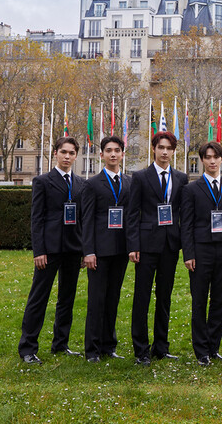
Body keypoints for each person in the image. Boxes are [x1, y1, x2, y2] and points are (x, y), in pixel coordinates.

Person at [18, 136, 85, 364]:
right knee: (39, 297)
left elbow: (83, 220)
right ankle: (28, 348)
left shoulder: (80, 183)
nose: (67, 156)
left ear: (76, 156)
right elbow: (37, 219)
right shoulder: (43, 181)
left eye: (71, 153)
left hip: (73, 249)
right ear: (55, 153)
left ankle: (60, 344)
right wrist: (39, 251)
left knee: (67, 298)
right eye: (63, 152)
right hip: (49, 250)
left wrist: (84, 249)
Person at [125, 131, 189, 366]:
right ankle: (141, 350)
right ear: (154, 149)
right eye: (160, 147)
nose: (164, 152)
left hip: (170, 245)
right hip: (146, 246)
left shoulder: (181, 178)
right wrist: (133, 245)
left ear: (174, 151)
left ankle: (161, 346)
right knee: (142, 298)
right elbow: (132, 214)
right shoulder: (140, 177)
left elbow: (183, 213)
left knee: (164, 297)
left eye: (169, 148)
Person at [180, 141, 222, 366]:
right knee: (199, 301)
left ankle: (214, 347)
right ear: (202, 161)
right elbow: (185, 224)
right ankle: (201, 351)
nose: (213, 161)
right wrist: (189, 253)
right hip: (200, 252)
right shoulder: (191, 189)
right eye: (208, 157)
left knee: (219, 300)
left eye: (216, 157)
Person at [82, 135, 131, 362]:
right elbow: (88, 219)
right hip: (99, 252)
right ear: (101, 155)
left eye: (117, 150)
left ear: (122, 154)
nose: (113, 154)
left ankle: (108, 346)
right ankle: (92, 350)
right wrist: (88, 251)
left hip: (121, 250)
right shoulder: (92, 184)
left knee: (113, 299)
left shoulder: (130, 183)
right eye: (109, 150)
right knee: (96, 300)